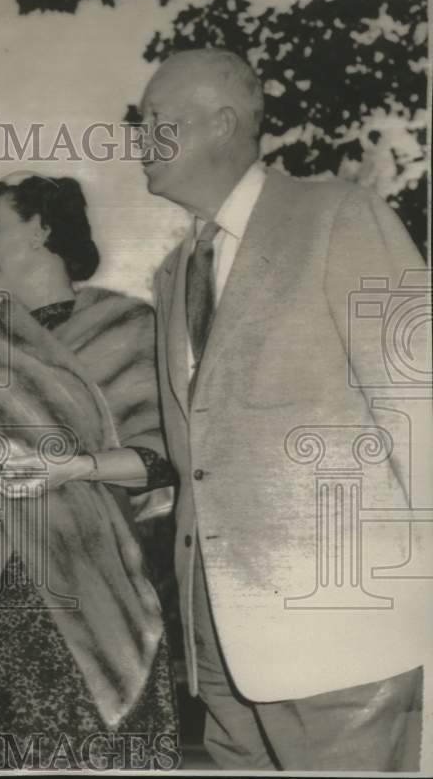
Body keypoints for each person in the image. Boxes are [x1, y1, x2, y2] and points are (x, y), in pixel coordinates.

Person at [141, 47, 429, 771]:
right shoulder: (173, 274)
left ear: (222, 123)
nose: (137, 139)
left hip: (345, 639)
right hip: (221, 652)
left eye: (155, 120)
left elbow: (420, 404)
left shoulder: (337, 215)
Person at [0, 173, 179, 770]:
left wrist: (74, 468)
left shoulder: (129, 328)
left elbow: (163, 463)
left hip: (92, 584)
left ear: (41, 229)